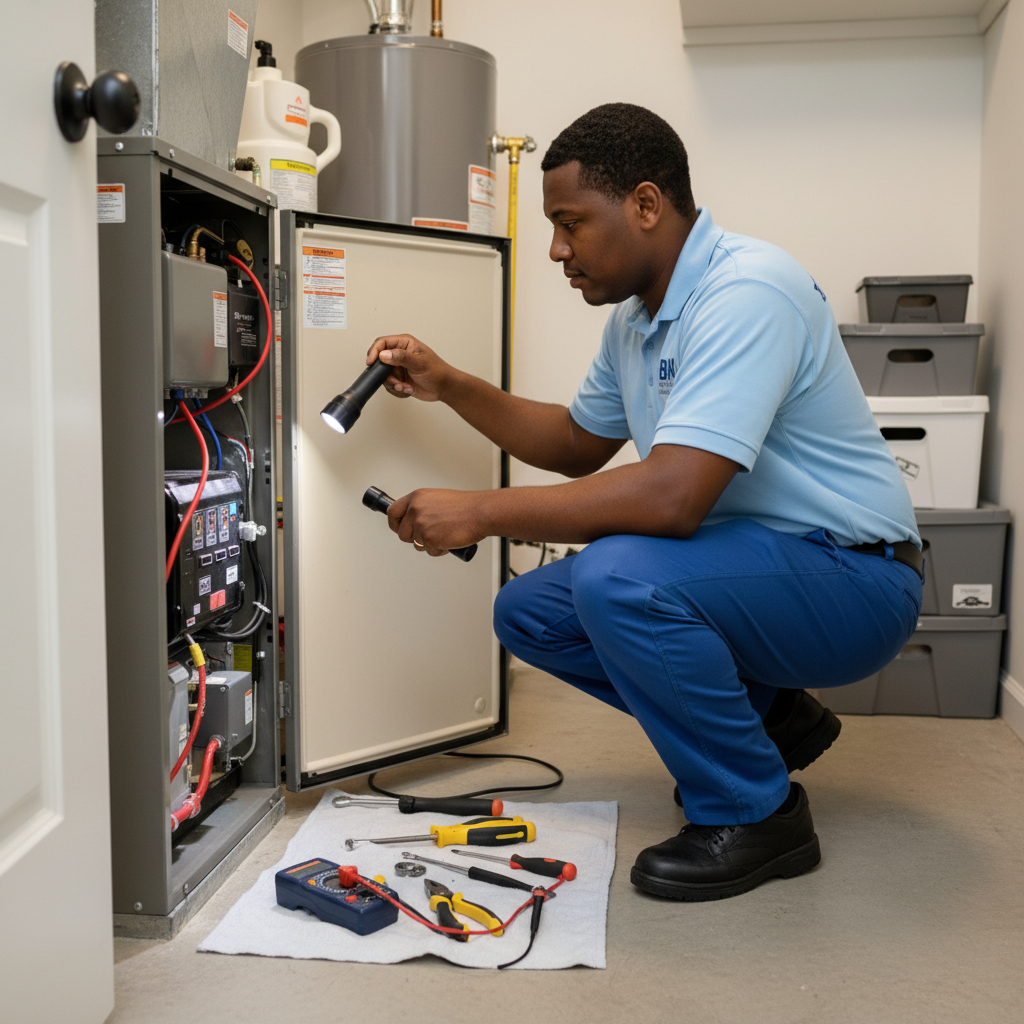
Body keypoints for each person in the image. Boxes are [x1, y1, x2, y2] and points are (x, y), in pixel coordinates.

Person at [365, 103, 923, 901]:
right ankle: (770, 720)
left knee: (619, 577)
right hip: (760, 567)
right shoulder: (636, 321)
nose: (557, 248)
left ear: (647, 205)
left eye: (570, 223)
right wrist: (449, 383)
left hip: (856, 577)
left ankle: (758, 813)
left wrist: (482, 511)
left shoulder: (747, 291)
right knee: (531, 612)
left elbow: (672, 499)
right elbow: (573, 442)